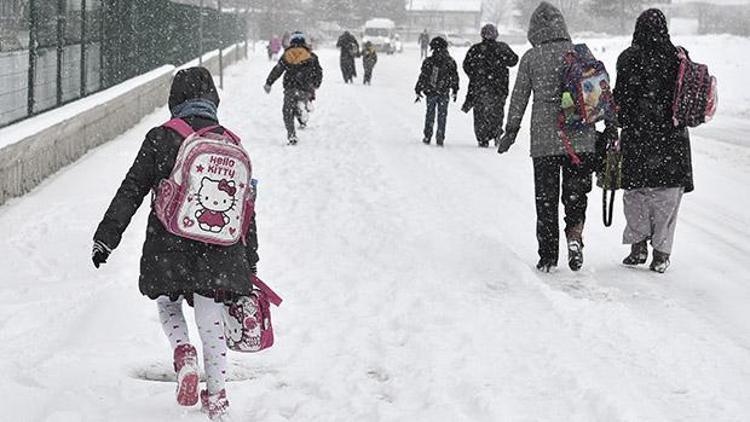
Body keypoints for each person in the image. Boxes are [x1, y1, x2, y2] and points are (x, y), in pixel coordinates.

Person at [91, 67, 259, 420]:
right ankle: (217, 398)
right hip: (220, 250)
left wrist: (106, 238)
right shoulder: (230, 142)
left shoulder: (160, 137)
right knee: (210, 315)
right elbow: (245, 208)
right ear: (213, 98)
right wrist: (250, 261)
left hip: (168, 243)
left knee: (168, 304)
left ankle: (184, 354)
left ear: (175, 100)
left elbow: (132, 189)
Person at [497, 2, 598, 272]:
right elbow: (596, 95)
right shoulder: (579, 53)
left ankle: (548, 256)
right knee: (576, 195)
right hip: (581, 139)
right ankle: (575, 236)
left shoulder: (531, 57)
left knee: (546, 199)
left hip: (545, 141)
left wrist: (511, 131)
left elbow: (518, 97)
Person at [614, 9, 694, 273]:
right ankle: (661, 253)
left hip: (638, 136)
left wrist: (620, 121)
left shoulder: (628, 58)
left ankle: (638, 246)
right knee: (668, 196)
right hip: (671, 139)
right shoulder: (678, 57)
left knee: (636, 193)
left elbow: (620, 100)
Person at [462, 24, 519, 148]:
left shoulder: (475, 49)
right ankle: (496, 132)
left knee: (480, 114)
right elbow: (514, 60)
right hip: (499, 87)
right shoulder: (502, 47)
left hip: (480, 88)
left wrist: (475, 75)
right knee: (497, 112)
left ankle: (483, 138)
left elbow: (466, 65)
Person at [264, 31, 323, 145]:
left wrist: (269, 83)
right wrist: (316, 84)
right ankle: (303, 110)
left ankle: (291, 135)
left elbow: (278, 70)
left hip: (290, 87)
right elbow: (318, 72)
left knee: (287, 111)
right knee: (300, 102)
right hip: (305, 88)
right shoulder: (311, 56)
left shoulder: (287, 55)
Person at [415, 36, 459, 147]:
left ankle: (427, 135)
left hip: (431, 91)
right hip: (444, 92)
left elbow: (423, 76)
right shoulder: (450, 61)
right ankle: (440, 137)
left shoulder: (429, 61)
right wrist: (455, 89)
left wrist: (418, 88)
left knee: (430, 114)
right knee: (442, 115)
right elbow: (455, 77)